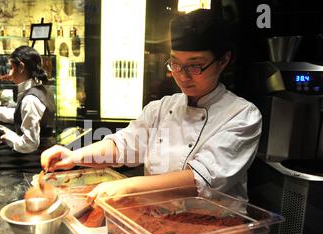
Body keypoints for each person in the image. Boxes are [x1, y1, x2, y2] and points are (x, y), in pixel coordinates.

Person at [41, 9, 262, 201]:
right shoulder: (161, 108)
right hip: (159, 224)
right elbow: (123, 146)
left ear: (223, 60)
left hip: (218, 231)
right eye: (175, 63)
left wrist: (127, 186)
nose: (182, 76)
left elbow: (200, 181)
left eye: (195, 66)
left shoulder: (242, 116)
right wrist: (74, 156)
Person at [0, 46, 56, 154]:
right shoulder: (43, 90)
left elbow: (30, 144)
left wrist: (10, 138)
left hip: (35, 159)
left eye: (11, 67)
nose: (10, 73)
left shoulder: (30, 99)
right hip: (46, 151)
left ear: (21, 67)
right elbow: (22, 114)